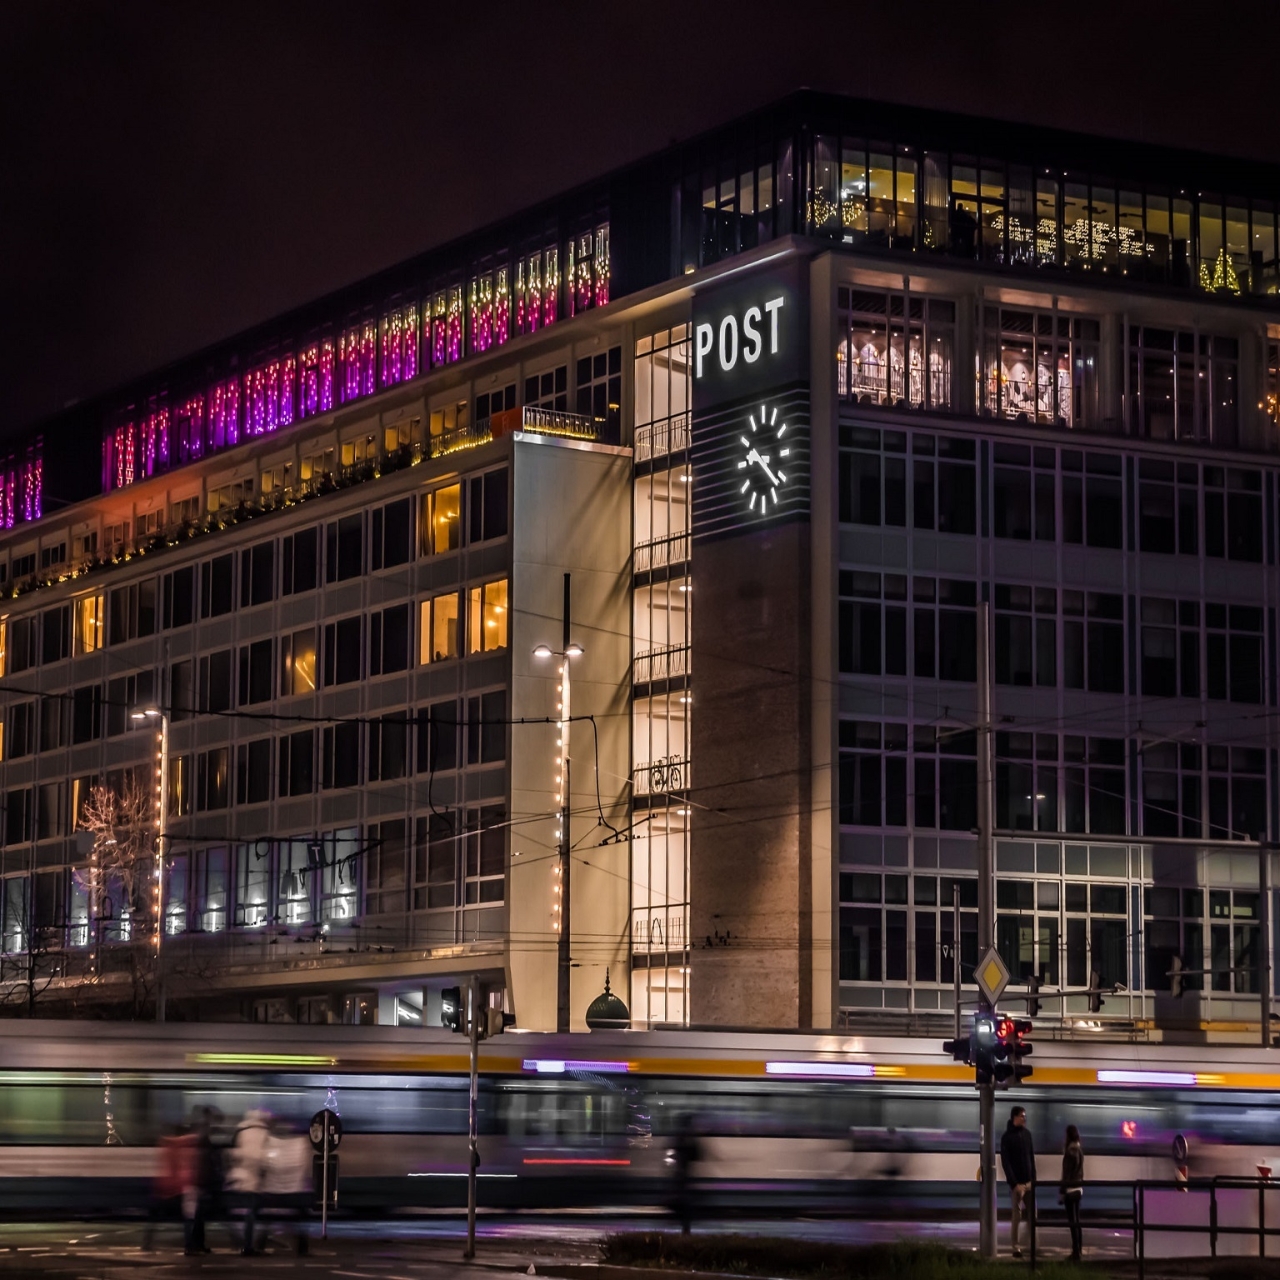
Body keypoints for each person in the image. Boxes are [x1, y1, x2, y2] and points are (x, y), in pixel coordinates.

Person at [225, 1108, 271, 1256]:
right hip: (255, 1181)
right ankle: (254, 1244)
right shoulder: (265, 1133)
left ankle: (241, 1242)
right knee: (257, 1212)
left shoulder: (240, 1131)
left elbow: (234, 1154)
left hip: (239, 1178)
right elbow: (265, 1160)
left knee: (238, 1212)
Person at [999, 1105, 1036, 1258]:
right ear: (1014, 1117)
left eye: (1025, 1116)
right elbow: (1006, 1162)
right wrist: (1014, 1184)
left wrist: (1033, 1178)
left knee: (1033, 1215)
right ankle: (1016, 1247)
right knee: (1017, 1216)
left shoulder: (1027, 1135)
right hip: (1017, 1185)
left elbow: (1031, 1157)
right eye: (1022, 1116)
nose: (1024, 1118)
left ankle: (1031, 1243)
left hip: (1029, 1182)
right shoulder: (1007, 1137)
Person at [1060, 1124, 1084, 1261]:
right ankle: (1078, 1250)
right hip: (1079, 1189)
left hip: (1070, 1190)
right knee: (1077, 1222)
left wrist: (1062, 1191)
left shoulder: (1069, 1152)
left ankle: (1075, 1253)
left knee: (1072, 1222)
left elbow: (1066, 1174)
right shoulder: (1079, 1149)